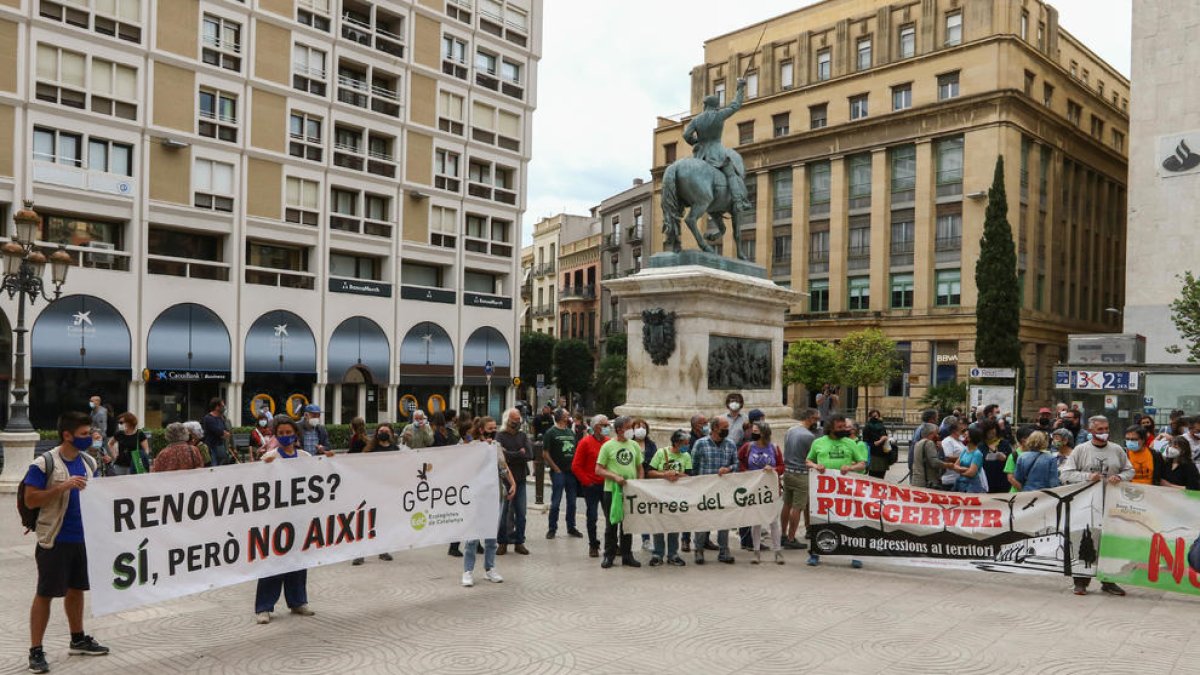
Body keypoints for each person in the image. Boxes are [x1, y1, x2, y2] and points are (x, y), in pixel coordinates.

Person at [22, 411, 108, 673]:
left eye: (90, 433)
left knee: (76, 589)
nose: (90, 437)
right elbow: (31, 500)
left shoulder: (88, 461)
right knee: (46, 593)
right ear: (67, 435)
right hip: (55, 539)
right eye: (84, 434)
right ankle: (36, 650)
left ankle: (78, 638)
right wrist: (62, 487)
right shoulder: (44, 463)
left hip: (83, 538)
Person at [1060, 415, 1133, 597]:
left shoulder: (1117, 450)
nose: (1104, 432)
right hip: (1086, 505)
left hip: (1111, 504)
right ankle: (1080, 581)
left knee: (1109, 542)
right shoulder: (1080, 450)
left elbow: (1129, 469)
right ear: (1091, 430)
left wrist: (1121, 477)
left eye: (1106, 428)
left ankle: (1108, 581)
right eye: (1100, 429)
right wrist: (1087, 477)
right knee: (1084, 541)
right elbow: (1066, 474)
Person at [255, 419, 317, 623]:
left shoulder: (305, 457)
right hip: (275, 519)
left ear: (295, 434)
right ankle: (264, 607)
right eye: (280, 432)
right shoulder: (269, 457)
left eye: (288, 431)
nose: (284, 435)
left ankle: (298, 601)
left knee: (298, 561)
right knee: (273, 561)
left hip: (299, 517)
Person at [805, 414, 866, 567]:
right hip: (824, 492)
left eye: (845, 427)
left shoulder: (850, 443)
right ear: (830, 428)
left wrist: (851, 467)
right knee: (820, 521)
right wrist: (815, 466)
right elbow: (808, 461)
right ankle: (815, 552)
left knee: (850, 521)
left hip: (846, 492)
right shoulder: (818, 443)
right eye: (840, 427)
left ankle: (855, 554)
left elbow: (862, 464)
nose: (844, 430)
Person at [683, 76, 752, 212]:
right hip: (716, 153)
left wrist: (697, 142)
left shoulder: (696, 120)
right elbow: (735, 105)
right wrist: (740, 88)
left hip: (700, 155)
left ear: (705, 105)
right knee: (731, 173)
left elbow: (686, 135)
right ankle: (739, 201)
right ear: (716, 105)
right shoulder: (719, 115)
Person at [463, 417, 515, 587]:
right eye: (490, 428)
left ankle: (490, 568)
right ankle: (468, 571)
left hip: (495, 495)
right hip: (477, 496)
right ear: (481, 429)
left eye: (495, 428)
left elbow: (503, 466)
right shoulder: (470, 447)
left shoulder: (496, 446)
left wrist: (512, 482)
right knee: (472, 536)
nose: (493, 431)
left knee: (492, 535)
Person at [594, 416, 644, 569]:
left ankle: (627, 555)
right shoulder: (608, 446)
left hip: (630, 491)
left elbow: (639, 467)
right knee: (611, 524)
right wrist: (614, 477)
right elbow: (598, 469)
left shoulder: (634, 445)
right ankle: (609, 555)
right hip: (612, 490)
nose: (632, 430)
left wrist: (639, 483)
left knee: (627, 525)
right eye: (629, 427)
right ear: (620, 429)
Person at [691, 416, 739, 565]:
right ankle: (699, 550)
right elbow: (694, 465)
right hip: (704, 490)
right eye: (724, 427)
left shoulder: (730, 444)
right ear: (714, 428)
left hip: (723, 489)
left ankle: (724, 550)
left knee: (724, 521)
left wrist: (728, 468)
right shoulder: (700, 444)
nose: (727, 430)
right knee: (702, 520)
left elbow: (736, 463)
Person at [740, 422, 784, 565]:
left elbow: (782, 466)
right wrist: (745, 472)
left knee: (773, 521)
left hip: (770, 489)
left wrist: (774, 469)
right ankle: (756, 551)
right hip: (754, 489)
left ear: (764, 432)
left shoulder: (774, 448)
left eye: (756, 431)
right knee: (756, 521)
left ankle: (778, 551)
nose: (753, 433)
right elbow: (739, 461)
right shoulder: (748, 447)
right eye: (753, 431)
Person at [646, 430, 692, 567]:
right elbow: (650, 472)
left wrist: (677, 474)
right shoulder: (661, 453)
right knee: (658, 523)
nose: (686, 446)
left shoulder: (686, 456)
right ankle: (658, 553)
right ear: (677, 443)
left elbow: (689, 476)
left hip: (677, 496)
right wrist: (665, 474)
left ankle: (673, 553)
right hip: (659, 495)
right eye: (684, 443)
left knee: (674, 524)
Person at [781, 408, 819, 550]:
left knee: (787, 504)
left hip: (788, 471)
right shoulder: (809, 436)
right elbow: (812, 457)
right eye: (815, 419)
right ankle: (791, 538)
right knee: (798, 507)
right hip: (801, 473)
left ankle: (783, 534)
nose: (817, 422)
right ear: (809, 418)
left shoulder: (790, 430)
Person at [572, 415, 609, 558]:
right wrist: (587, 482)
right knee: (592, 515)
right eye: (603, 425)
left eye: (607, 425)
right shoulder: (585, 442)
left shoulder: (609, 442)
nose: (606, 428)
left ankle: (611, 544)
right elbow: (576, 466)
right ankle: (593, 544)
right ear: (595, 427)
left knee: (610, 516)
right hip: (592, 485)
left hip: (606, 484)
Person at [543, 408, 583, 539]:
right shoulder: (551, 433)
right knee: (556, 502)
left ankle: (571, 527)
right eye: (566, 415)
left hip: (571, 472)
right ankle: (552, 528)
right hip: (558, 472)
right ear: (560, 418)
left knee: (572, 502)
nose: (569, 417)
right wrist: (555, 468)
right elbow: (545, 453)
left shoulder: (570, 433)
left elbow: (576, 450)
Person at [495, 408, 531, 555]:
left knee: (521, 513)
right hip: (504, 480)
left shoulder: (523, 436)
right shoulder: (500, 436)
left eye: (518, 420)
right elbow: (500, 457)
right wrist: (518, 453)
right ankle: (502, 542)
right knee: (503, 514)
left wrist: (510, 454)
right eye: (514, 420)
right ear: (507, 420)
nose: (517, 422)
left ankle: (519, 542)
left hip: (521, 479)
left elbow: (529, 454)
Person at [631, 417, 658, 550]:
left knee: (645, 511)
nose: (640, 429)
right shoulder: (629, 444)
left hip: (647, 481)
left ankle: (646, 539)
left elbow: (654, 462)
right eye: (637, 427)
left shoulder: (651, 445)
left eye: (643, 427)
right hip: (631, 481)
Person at [978, 419, 1013, 494]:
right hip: (986, 481)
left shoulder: (1004, 443)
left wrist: (1005, 458)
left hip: (1002, 481)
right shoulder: (981, 445)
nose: (992, 433)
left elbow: (1011, 460)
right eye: (989, 432)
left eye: (993, 430)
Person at [910, 423, 948, 490]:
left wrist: (938, 449)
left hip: (917, 481)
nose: (938, 436)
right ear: (931, 433)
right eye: (936, 433)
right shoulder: (929, 443)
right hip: (927, 482)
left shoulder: (918, 443)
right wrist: (949, 465)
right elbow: (934, 463)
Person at [951, 427, 986, 494]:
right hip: (961, 484)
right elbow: (954, 466)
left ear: (971, 438)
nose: (963, 437)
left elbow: (971, 473)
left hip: (971, 487)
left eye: (965, 435)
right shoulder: (964, 451)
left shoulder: (977, 454)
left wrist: (959, 471)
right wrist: (965, 469)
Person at [1003, 426, 1037, 492]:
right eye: (1031, 438)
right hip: (1017, 495)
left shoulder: (1036, 453)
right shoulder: (1014, 455)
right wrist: (1024, 490)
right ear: (1023, 440)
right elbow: (1010, 478)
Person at [862, 409, 893, 479]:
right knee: (875, 477)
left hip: (881, 455)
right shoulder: (868, 427)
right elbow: (866, 442)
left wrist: (880, 441)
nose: (875, 418)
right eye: (873, 416)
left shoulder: (881, 426)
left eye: (876, 416)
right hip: (874, 455)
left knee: (877, 477)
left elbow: (884, 437)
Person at [201, 397, 231, 466]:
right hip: (212, 447)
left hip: (221, 446)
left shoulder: (221, 418)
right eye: (222, 406)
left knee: (222, 465)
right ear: (217, 407)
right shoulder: (208, 418)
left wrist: (224, 433)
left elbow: (226, 431)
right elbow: (218, 431)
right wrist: (223, 433)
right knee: (214, 466)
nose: (224, 408)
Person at [939, 421, 968, 490]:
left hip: (960, 477)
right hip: (950, 479)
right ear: (954, 431)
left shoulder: (960, 440)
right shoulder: (947, 441)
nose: (963, 431)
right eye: (961, 429)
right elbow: (947, 458)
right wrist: (967, 458)